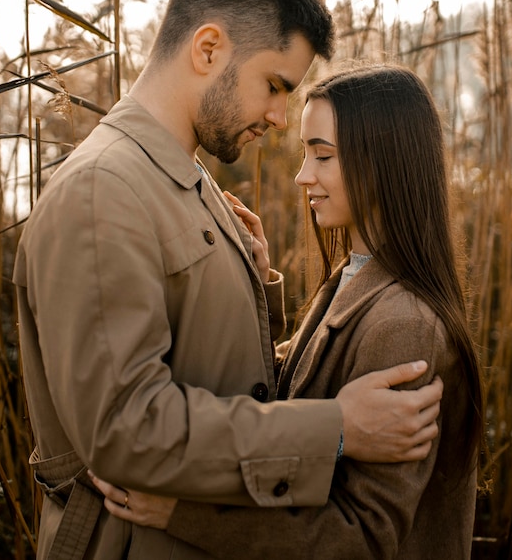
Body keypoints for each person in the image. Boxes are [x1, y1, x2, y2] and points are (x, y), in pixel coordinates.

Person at [13, 0, 443, 560]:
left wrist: (255, 281)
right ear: (209, 48)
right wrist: (337, 430)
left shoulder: (186, 181)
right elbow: (124, 430)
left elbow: (216, 373)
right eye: (273, 86)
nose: (276, 115)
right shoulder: (102, 190)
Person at [90, 64, 486, 559]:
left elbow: (359, 539)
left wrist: (178, 511)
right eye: (305, 154)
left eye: (323, 155)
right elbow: (291, 389)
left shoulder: (403, 324)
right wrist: (256, 287)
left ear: (386, 161)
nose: (303, 177)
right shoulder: (353, 278)